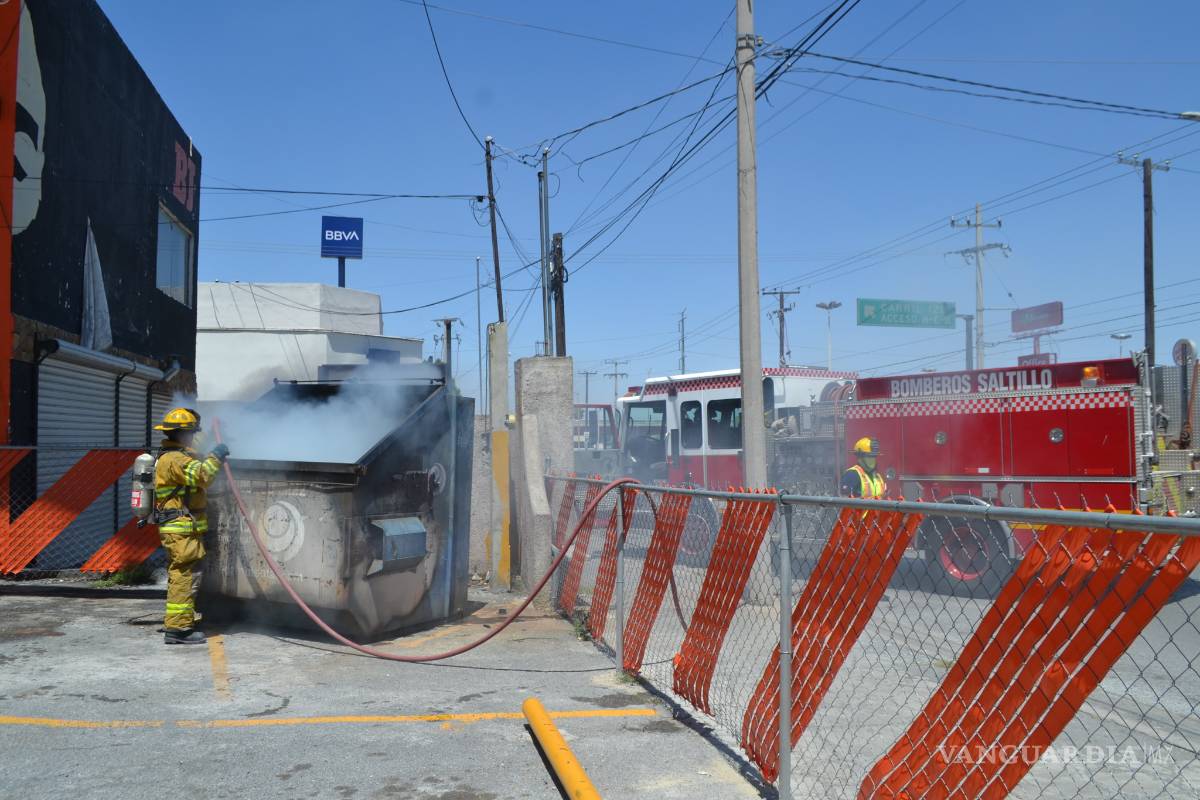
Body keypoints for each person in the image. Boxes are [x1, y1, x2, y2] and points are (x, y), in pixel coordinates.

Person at [153, 407, 229, 645]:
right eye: (192, 433)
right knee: (184, 576)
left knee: (182, 574)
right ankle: (178, 629)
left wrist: (212, 436)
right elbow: (203, 476)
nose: (194, 437)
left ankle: (178, 623)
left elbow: (195, 462)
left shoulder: (173, 455)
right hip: (181, 530)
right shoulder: (175, 459)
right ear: (183, 434)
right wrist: (216, 455)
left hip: (180, 529)